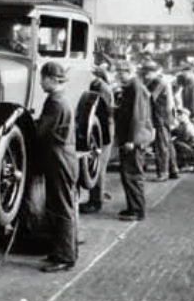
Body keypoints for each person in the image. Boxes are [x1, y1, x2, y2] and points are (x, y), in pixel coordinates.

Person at [36, 61, 79, 273]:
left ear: (52, 79)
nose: (40, 82)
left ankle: (65, 257)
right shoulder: (61, 98)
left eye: (42, 78)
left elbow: (42, 131)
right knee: (60, 206)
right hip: (64, 157)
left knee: (61, 208)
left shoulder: (54, 101)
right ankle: (61, 251)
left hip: (59, 159)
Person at [114, 61, 155, 222]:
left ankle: (138, 211)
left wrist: (131, 139)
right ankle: (133, 207)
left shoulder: (135, 88)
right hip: (131, 138)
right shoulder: (131, 87)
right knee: (128, 174)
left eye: (121, 72)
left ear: (129, 72)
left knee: (133, 174)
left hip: (134, 140)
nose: (118, 75)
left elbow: (137, 116)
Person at [79, 66, 115, 214]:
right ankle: (100, 194)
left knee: (98, 166)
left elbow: (104, 113)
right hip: (103, 128)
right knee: (100, 166)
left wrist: (102, 138)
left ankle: (96, 202)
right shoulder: (101, 86)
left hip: (103, 129)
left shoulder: (100, 88)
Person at [141, 60, 179, 182]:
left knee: (161, 145)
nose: (146, 75)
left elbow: (149, 97)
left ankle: (163, 173)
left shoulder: (158, 82)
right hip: (165, 117)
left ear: (153, 72)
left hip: (161, 118)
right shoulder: (160, 81)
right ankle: (173, 170)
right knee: (168, 144)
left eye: (147, 73)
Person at [171, 107, 194, 172]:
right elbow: (175, 132)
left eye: (179, 114)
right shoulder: (183, 124)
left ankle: (184, 163)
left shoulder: (187, 126)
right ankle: (182, 163)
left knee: (175, 144)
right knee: (175, 143)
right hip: (191, 149)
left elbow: (183, 138)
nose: (177, 116)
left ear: (184, 116)